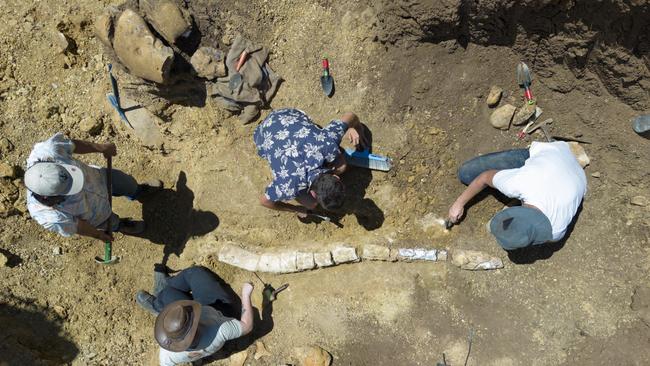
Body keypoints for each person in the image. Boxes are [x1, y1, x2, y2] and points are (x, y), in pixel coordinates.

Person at [448, 141, 587, 250]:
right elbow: (484, 177)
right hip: (556, 157)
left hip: (568, 167)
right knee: (466, 174)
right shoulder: (520, 183)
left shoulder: (555, 233)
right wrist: (459, 203)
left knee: (467, 175)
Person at [24, 132, 161, 242]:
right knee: (111, 222)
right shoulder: (46, 215)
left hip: (99, 178)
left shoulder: (49, 150)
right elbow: (78, 226)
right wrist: (99, 235)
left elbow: (72, 145)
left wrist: (102, 148)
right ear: (47, 198)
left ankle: (138, 192)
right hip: (96, 214)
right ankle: (121, 225)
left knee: (127, 183)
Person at [254, 108, 366, 216]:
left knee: (341, 166)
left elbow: (350, 116)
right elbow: (264, 201)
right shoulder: (288, 185)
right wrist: (295, 209)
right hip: (262, 135)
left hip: (284, 115)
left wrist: (357, 128)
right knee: (311, 204)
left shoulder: (327, 142)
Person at [135, 265, 254, 365]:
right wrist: (245, 295)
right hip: (220, 311)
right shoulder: (220, 329)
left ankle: (159, 303)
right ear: (195, 320)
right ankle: (165, 288)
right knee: (194, 273)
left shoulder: (168, 356)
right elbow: (247, 326)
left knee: (167, 294)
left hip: (207, 314)